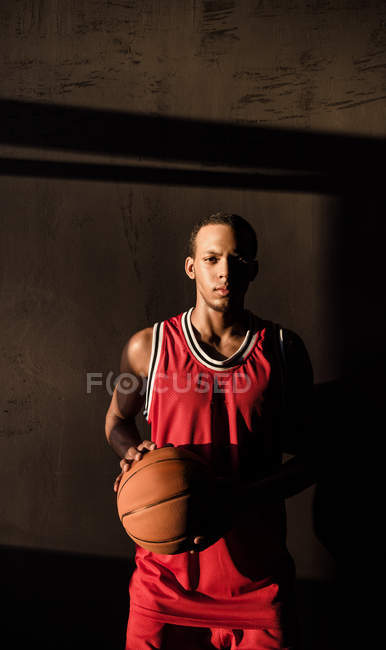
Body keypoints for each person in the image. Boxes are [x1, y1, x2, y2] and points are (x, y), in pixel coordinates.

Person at [105, 212, 316, 650]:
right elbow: (117, 422)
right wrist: (133, 454)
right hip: (163, 582)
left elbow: (314, 457)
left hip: (257, 585)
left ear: (252, 269)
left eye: (237, 260)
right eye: (212, 258)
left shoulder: (283, 350)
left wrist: (240, 496)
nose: (224, 272)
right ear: (191, 266)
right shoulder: (147, 348)